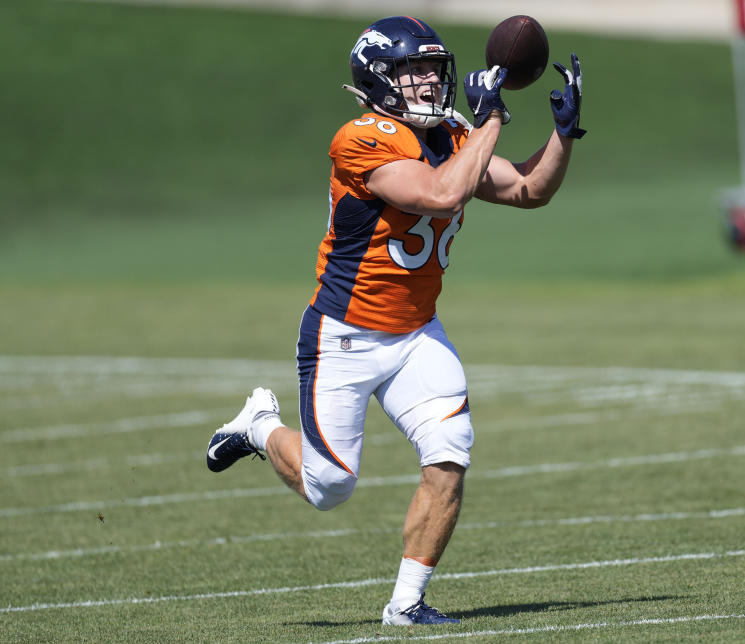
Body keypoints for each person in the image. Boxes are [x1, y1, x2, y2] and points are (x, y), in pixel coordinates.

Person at [205, 15, 585, 625]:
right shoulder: (362, 137)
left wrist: (564, 134)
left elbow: (526, 190)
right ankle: (258, 427)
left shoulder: (458, 131)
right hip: (345, 335)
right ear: (378, 78)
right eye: (413, 70)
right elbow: (439, 195)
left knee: (450, 451)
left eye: (435, 69)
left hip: (415, 334)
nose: (428, 82)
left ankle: (407, 603)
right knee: (330, 488)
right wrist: (491, 121)